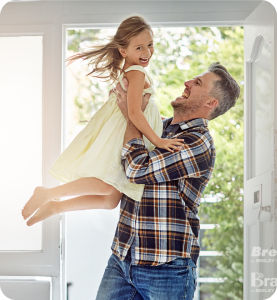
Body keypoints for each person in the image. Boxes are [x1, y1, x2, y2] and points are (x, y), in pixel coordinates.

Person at [94, 61, 240, 300]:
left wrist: (133, 115)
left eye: (197, 83)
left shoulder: (197, 142)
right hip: (122, 258)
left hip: (167, 267)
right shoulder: (159, 128)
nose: (187, 82)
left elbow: (136, 169)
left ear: (210, 103)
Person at [22, 15, 183, 222]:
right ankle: (48, 194)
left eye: (150, 45)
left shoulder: (129, 70)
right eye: (139, 48)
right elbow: (134, 112)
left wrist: (157, 118)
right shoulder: (137, 73)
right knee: (105, 184)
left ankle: (55, 206)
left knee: (110, 200)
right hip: (122, 132)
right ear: (124, 51)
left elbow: (141, 108)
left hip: (124, 127)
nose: (147, 52)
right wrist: (159, 141)